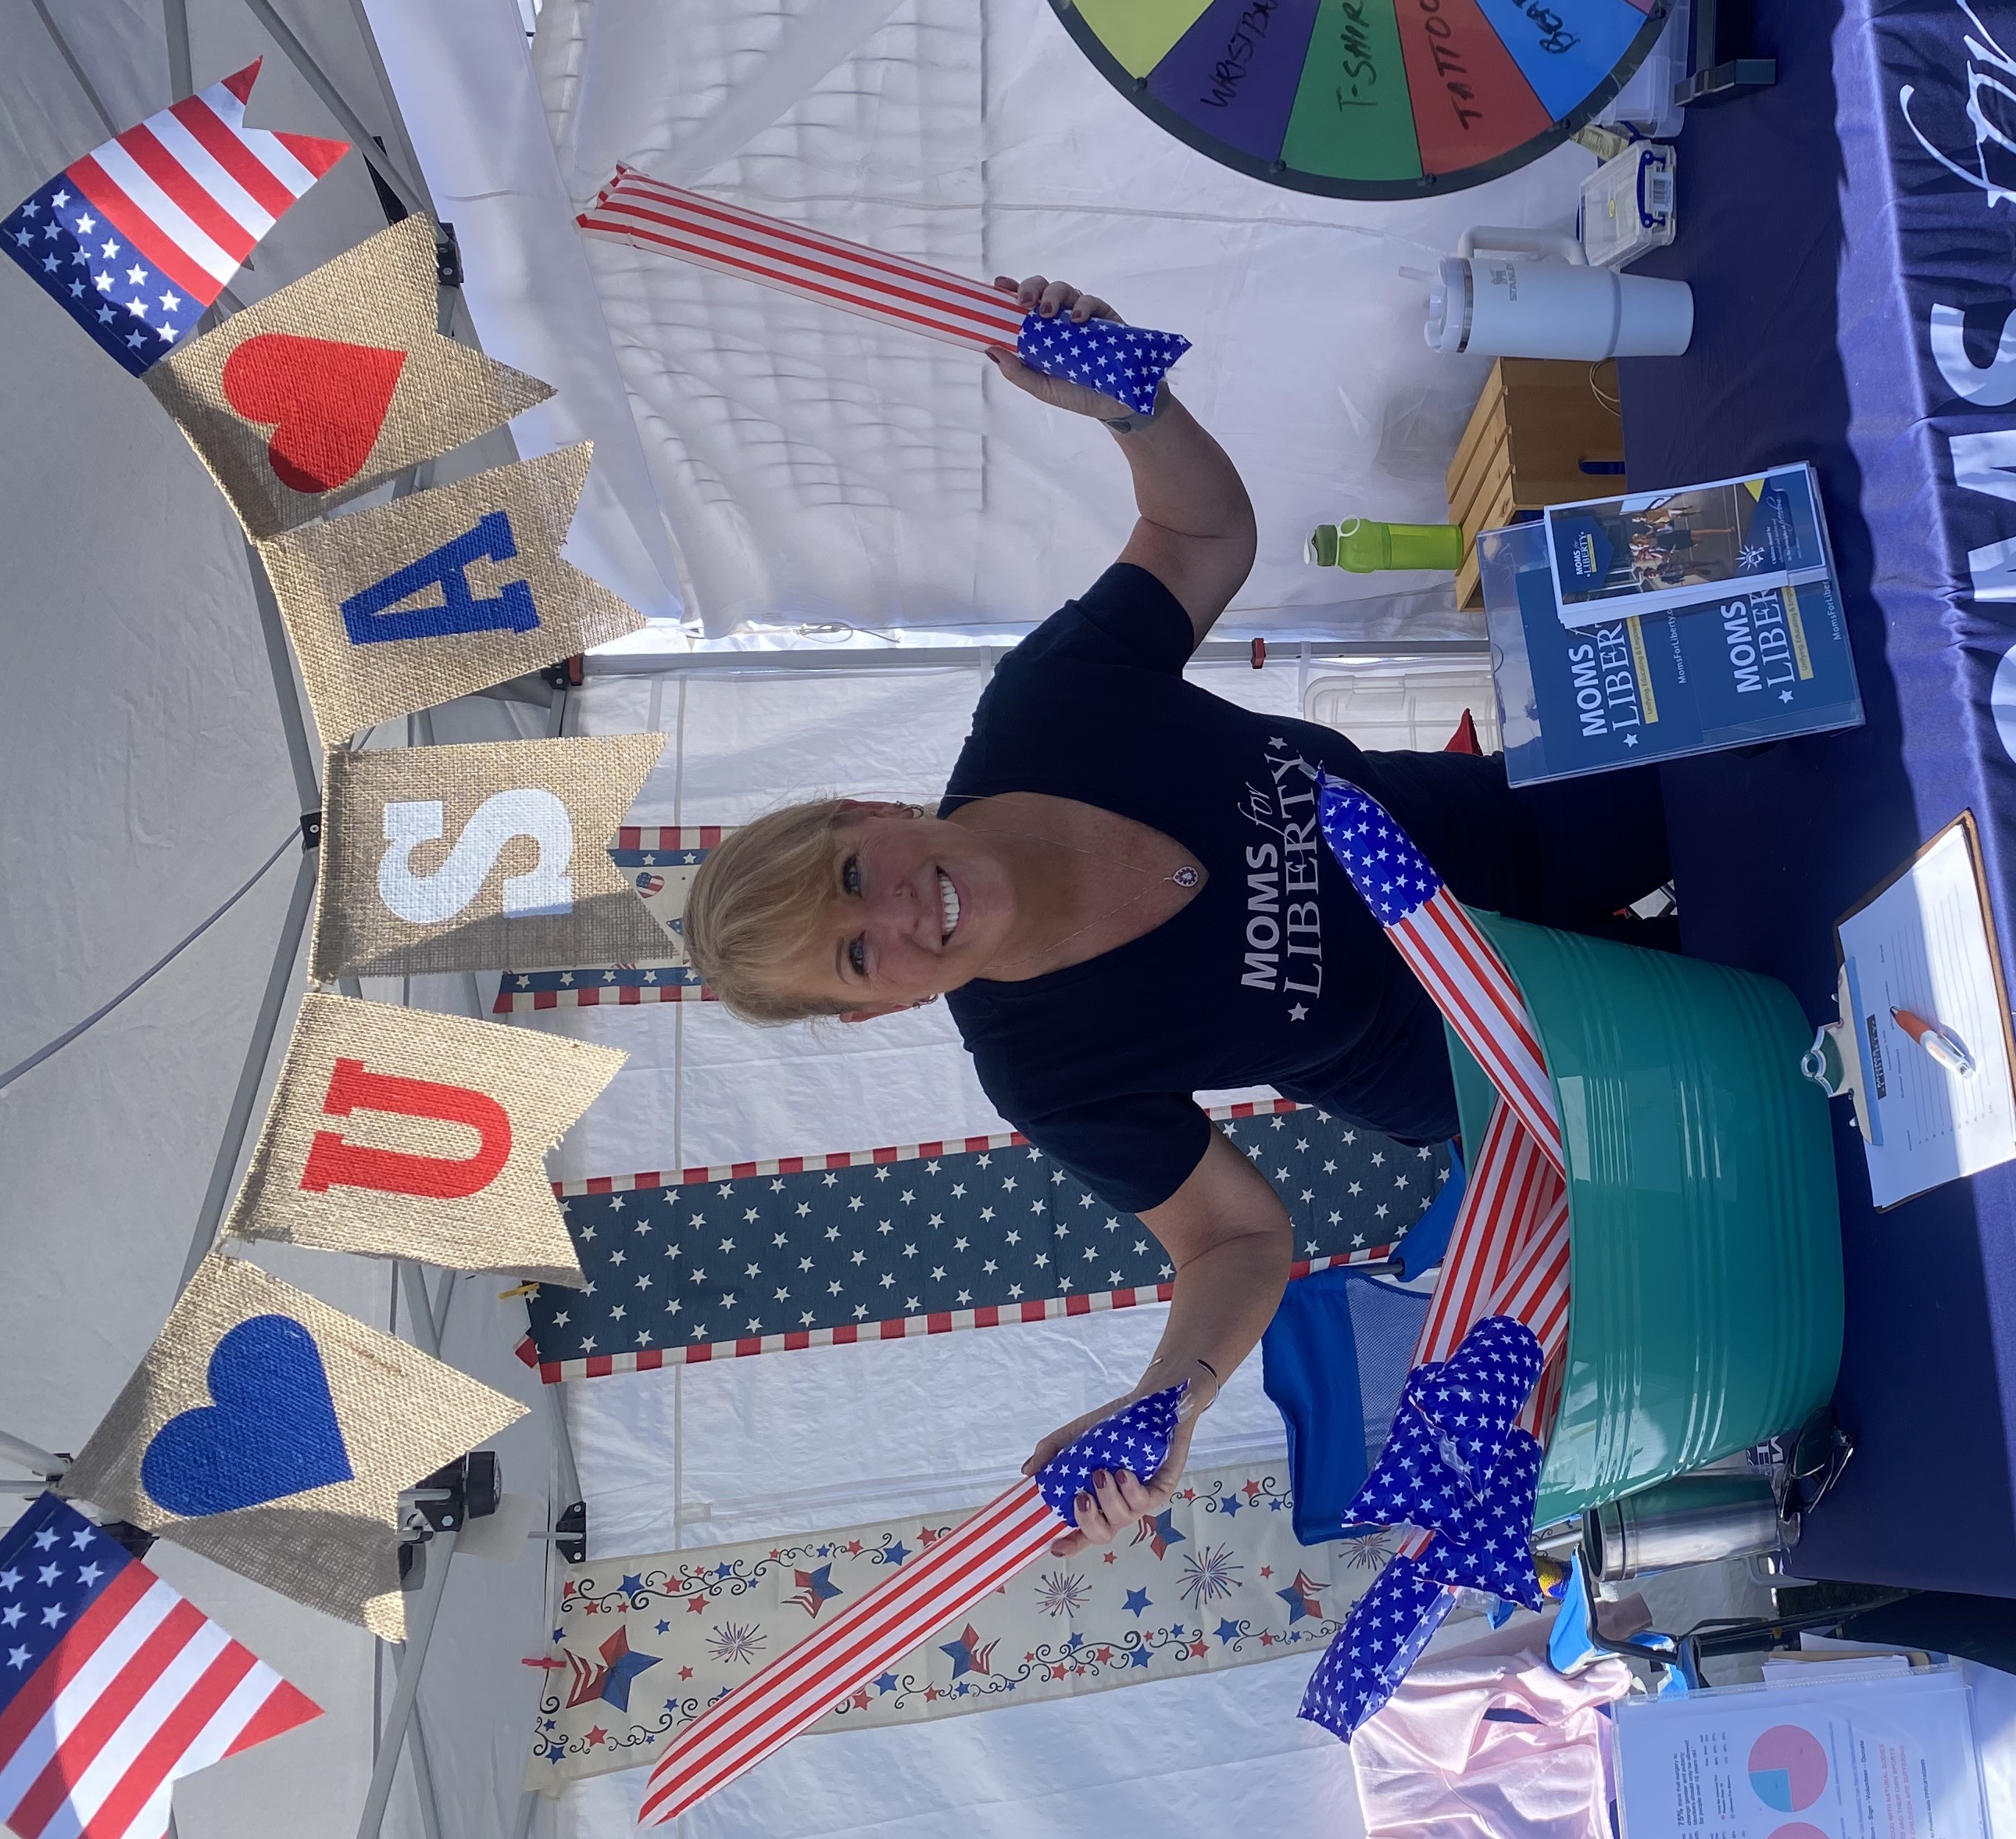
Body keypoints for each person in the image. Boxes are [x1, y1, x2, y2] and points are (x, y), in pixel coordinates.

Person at [679, 279, 1671, 1551]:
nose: (901, 917)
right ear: (881, 1008)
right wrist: (1171, 1398)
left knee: (1789, 804)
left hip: (1518, 826)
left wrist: (1133, 408)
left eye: (853, 878)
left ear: (867, 812)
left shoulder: (1046, 713)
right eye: (859, 956)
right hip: (1506, 1058)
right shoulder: (1047, 1072)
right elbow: (1236, 1238)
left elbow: (1201, 535)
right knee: (1784, 1023)